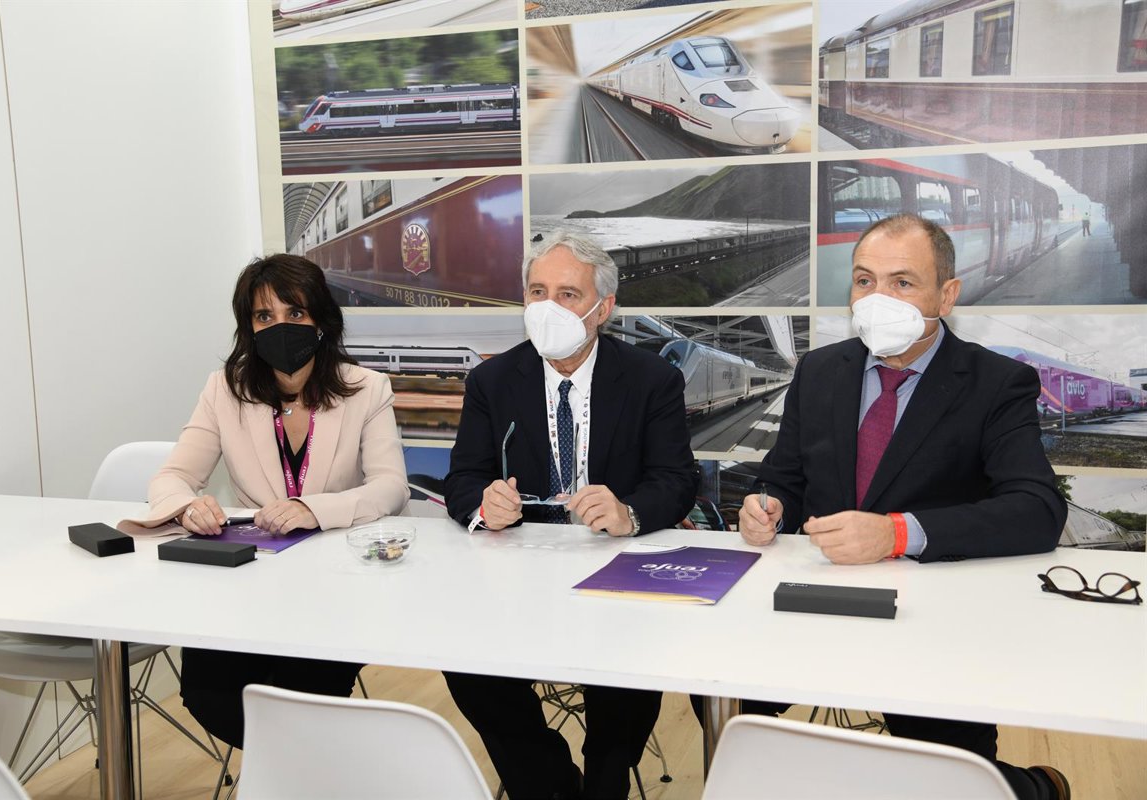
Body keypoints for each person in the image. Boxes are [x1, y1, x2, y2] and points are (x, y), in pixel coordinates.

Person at [736, 214, 1070, 800]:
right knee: (729, 708)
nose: (877, 300)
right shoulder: (819, 370)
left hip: (933, 625)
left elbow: (1038, 509)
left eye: (903, 283)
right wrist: (768, 507)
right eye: (864, 281)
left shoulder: (997, 382)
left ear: (947, 295)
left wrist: (897, 533)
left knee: (950, 777)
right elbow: (783, 475)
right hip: (815, 602)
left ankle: (1033, 788)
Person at [444, 230, 698, 800]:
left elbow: (677, 480)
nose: (548, 307)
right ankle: (551, 784)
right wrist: (485, 504)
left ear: (603, 308)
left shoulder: (651, 379)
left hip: (616, 570)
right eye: (537, 292)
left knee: (627, 670)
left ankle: (607, 782)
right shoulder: (491, 381)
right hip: (520, 573)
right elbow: (462, 478)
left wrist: (628, 512)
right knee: (466, 663)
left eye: (567, 294)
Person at [123, 254, 409, 748]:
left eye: (295, 313)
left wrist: (313, 509)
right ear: (248, 328)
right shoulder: (224, 389)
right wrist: (188, 507)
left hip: (335, 591)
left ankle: (295, 769)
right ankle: (296, 768)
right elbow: (173, 477)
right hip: (248, 586)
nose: (280, 326)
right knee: (206, 690)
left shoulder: (366, 389)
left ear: (321, 320)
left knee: (305, 695)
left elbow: (391, 487)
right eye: (264, 316)